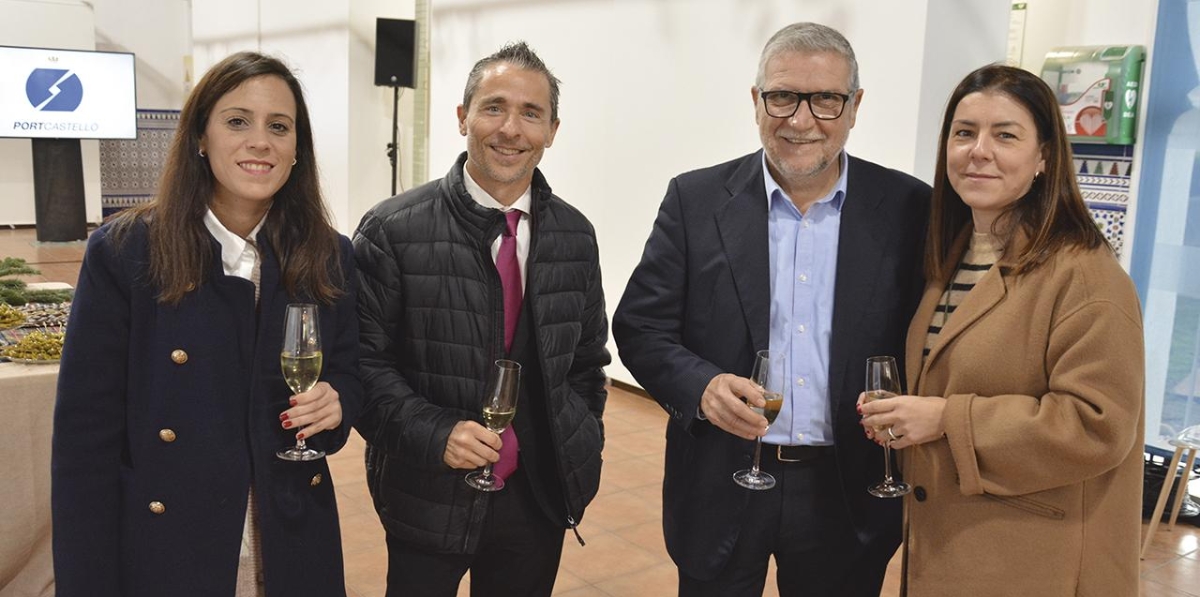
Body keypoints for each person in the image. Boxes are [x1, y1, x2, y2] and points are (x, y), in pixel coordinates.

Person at [613, 22, 930, 597]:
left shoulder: (909, 208)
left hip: (846, 488)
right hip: (721, 477)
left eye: (826, 100)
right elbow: (640, 325)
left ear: (855, 106)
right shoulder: (695, 200)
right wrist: (701, 385)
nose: (800, 120)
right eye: (782, 96)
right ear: (756, 101)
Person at [52, 51, 363, 596]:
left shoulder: (327, 253)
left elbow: (350, 372)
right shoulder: (127, 251)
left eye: (279, 127)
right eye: (237, 121)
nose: (260, 141)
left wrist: (337, 405)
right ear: (201, 136)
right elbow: (85, 443)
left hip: (289, 527)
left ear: (297, 150)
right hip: (169, 540)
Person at [857, 64, 1145, 596]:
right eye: (964, 133)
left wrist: (947, 417)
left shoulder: (1085, 275)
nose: (978, 150)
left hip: (1030, 560)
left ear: (1045, 157)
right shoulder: (953, 255)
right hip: (949, 543)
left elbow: (1097, 425)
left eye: (1005, 135)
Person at [353, 41, 610, 597]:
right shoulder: (392, 231)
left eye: (531, 113)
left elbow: (588, 363)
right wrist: (434, 432)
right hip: (429, 492)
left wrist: (580, 439)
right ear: (463, 117)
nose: (511, 129)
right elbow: (365, 367)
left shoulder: (575, 235)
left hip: (538, 498)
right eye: (494, 107)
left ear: (553, 130)